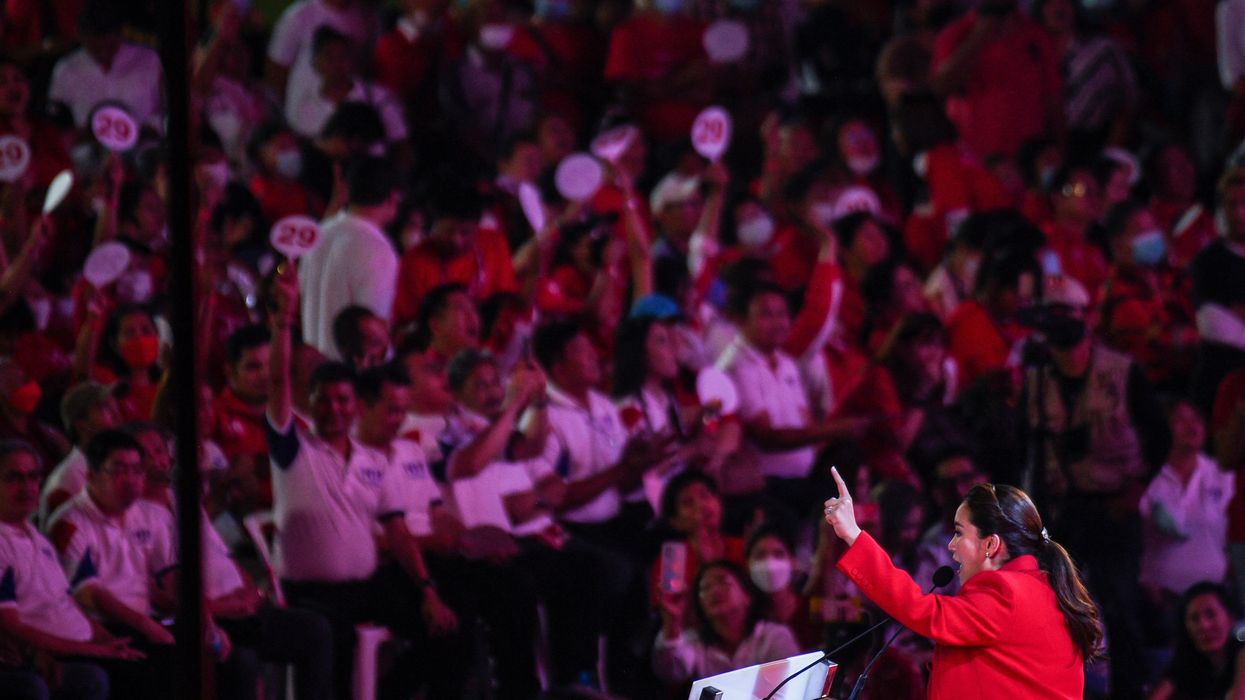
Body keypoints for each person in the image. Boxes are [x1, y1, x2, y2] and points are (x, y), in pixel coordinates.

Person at [824, 471, 1103, 698]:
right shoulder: (1041, 588)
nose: (951, 545)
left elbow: (922, 611)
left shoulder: (1007, 593)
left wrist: (853, 535)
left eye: (959, 533)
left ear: (991, 544)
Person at [299, 155, 400, 360]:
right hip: (349, 378)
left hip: (314, 372)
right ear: (392, 198)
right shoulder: (377, 248)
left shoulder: (320, 233)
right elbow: (371, 334)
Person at [653, 559, 799, 683]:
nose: (714, 591)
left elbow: (792, 684)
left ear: (746, 596)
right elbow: (670, 671)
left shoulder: (773, 636)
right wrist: (672, 620)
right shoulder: (695, 641)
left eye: (723, 581)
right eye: (705, 588)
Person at [1148, 581, 1245, 700]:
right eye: (1194, 619)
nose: (1204, 625)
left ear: (1230, 618)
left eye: (1211, 614)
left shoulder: (1242, 650)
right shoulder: (1186, 661)